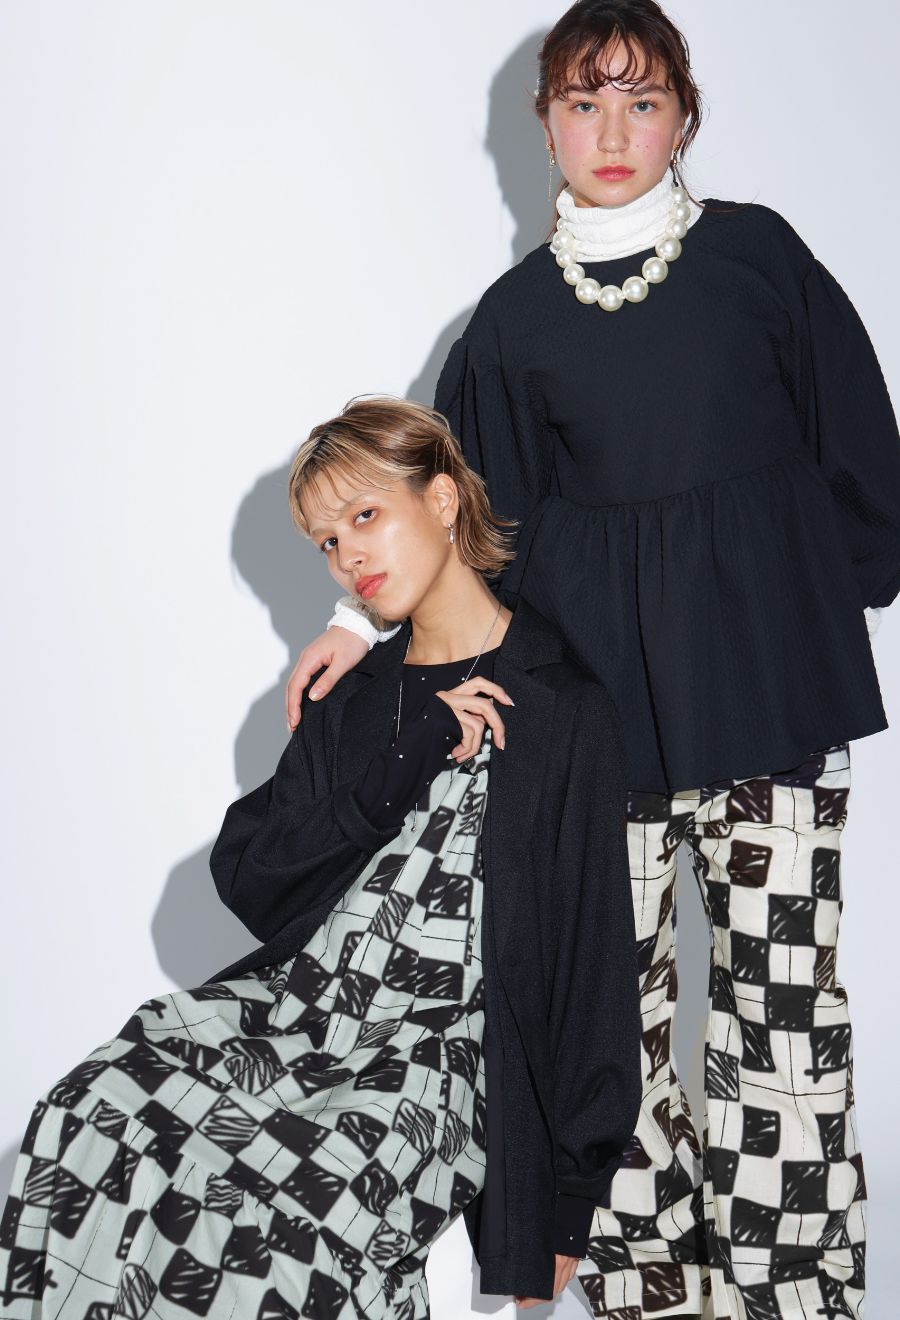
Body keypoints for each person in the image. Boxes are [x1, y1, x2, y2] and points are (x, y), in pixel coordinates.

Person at [283, 5, 900, 1318]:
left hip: (768, 698)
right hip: (596, 731)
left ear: (683, 117)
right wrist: (352, 624)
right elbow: (451, 511)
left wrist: (834, 581)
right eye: (583, 103)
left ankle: (794, 1300)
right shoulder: (512, 323)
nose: (613, 132)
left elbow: (855, 430)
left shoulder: (758, 258)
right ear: (544, 123)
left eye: (642, 101)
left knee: (783, 1021)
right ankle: (650, 1298)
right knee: (608, 1030)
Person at [0, 397, 640, 1318]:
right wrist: (407, 754)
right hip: (296, 1017)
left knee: (295, 1230)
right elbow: (251, 876)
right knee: (89, 1112)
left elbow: (591, 961)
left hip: (437, 1057)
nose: (349, 557)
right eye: (328, 542)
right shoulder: (357, 699)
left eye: (365, 516)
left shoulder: (563, 703)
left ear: (444, 500)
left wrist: (572, 1193)